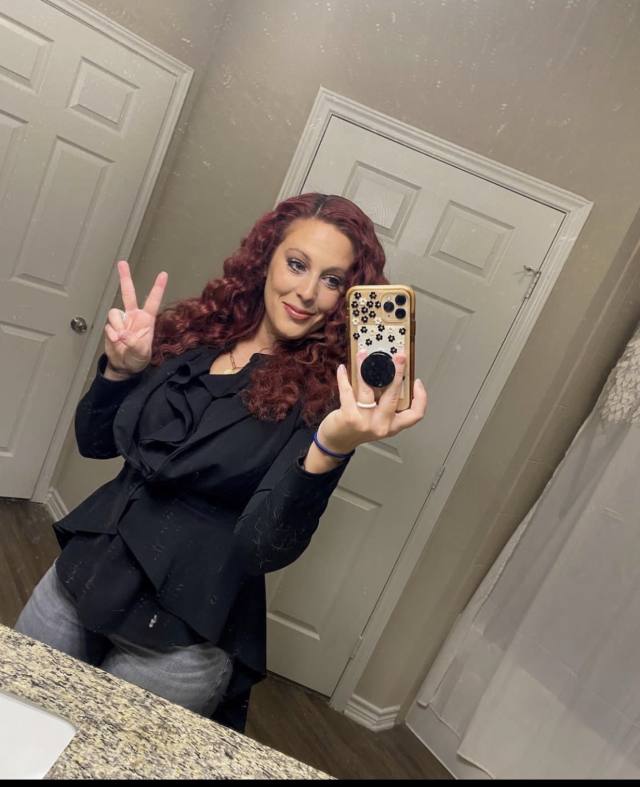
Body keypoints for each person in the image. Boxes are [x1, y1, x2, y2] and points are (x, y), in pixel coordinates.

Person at [15, 193, 427, 733]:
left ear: (347, 297)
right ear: (266, 258)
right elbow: (97, 443)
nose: (307, 292)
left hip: (180, 637)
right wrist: (120, 371)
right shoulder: (196, 333)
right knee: (13, 732)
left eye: (332, 280)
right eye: (297, 264)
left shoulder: (329, 402)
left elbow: (263, 547)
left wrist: (331, 447)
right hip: (78, 580)